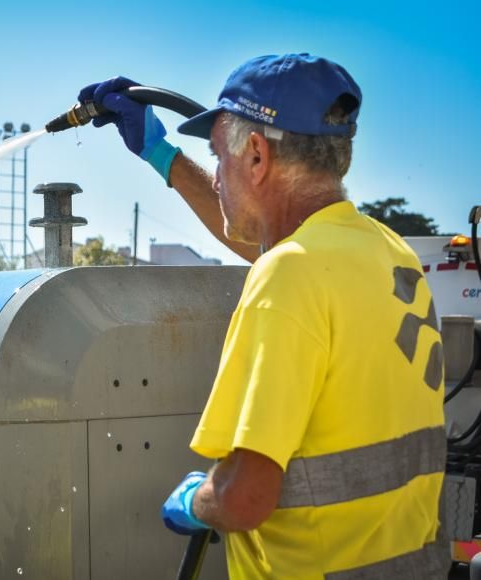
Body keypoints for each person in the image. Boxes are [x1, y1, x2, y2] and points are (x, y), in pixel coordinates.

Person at [80, 54, 450, 579]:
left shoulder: (289, 277)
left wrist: (198, 502)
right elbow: (262, 237)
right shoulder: (386, 252)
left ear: (256, 154)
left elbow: (244, 499)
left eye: (218, 158)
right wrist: (162, 156)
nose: (219, 177)